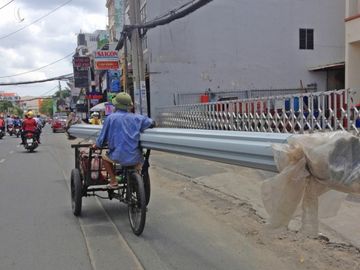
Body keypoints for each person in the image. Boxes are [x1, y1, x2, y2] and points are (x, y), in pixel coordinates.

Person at [94, 92, 155, 188]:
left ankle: (113, 181)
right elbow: (151, 123)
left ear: (116, 105)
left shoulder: (110, 118)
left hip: (117, 156)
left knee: (104, 158)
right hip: (135, 156)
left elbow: (102, 138)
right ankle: (137, 176)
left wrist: (96, 145)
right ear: (129, 106)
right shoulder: (137, 118)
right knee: (138, 160)